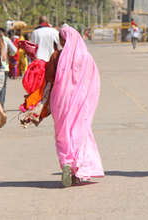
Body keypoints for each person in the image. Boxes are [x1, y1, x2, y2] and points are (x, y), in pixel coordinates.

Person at [47, 25, 104, 187]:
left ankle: (66, 162)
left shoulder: (57, 56)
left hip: (60, 102)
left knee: (62, 133)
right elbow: (93, 82)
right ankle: (77, 171)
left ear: (62, 40)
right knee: (80, 133)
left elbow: (50, 77)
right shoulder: (86, 57)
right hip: (81, 103)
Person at [0, 28, 18, 109]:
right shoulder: (6, 39)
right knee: (3, 86)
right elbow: (14, 50)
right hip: (4, 66)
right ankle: (0, 105)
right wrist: (10, 54)